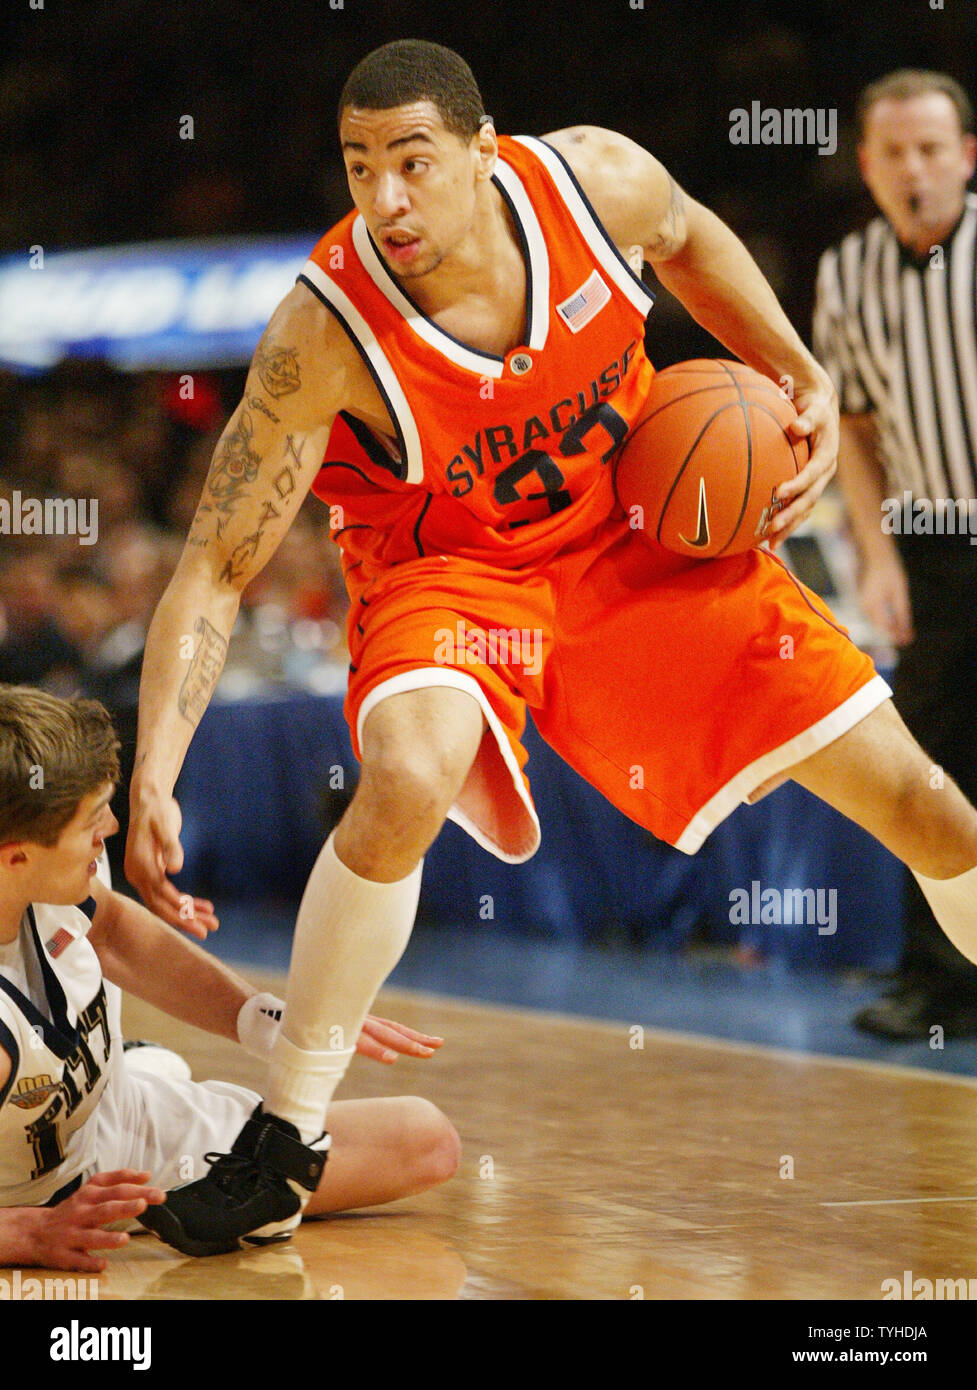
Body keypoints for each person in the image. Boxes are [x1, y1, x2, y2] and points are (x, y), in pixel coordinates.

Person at [125, 39, 977, 1257]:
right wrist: (159, 762)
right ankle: (284, 1142)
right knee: (409, 773)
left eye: (412, 161)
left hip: (638, 541)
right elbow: (214, 562)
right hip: (448, 572)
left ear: (483, 148)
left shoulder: (596, 184)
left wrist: (795, 374)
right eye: (359, 166)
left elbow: (687, 234)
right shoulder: (323, 329)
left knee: (927, 805)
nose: (386, 198)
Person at [0, 684, 459, 1270]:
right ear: (17, 856)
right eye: (93, 820)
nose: (111, 828)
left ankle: (137, 1066)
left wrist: (269, 1021)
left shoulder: (43, 874)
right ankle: (141, 1064)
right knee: (419, 1146)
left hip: (120, 1122)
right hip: (52, 1199)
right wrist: (22, 1237)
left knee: (426, 1140)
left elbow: (114, 933)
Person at [813, 70, 977, 1039]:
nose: (912, 169)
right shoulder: (845, 272)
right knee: (929, 772)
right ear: (867, 166)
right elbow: (856, 430)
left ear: (965, 156)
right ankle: (940, 984)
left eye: (930, 149)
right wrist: (873, 554)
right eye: (893, 153)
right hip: (931, 547)